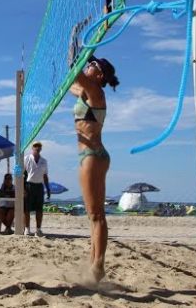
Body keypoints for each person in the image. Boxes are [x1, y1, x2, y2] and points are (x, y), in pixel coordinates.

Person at [69, 53, 119, 283]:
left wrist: (79, 56)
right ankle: (94, 265)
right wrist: (74, 57)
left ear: (99, 75)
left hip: (93, 155)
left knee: (97, 215)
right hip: (88, 155)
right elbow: (72, 82)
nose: (88, 66)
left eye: (92, 65)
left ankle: (98, 268)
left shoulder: (96, 92)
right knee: (93, 215)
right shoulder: (86, 93)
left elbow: (78, 74)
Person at [24, 141, 50, 237]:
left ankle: (38, 230)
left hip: (39, 186)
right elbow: (22, 174)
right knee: (27, 209)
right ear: (32, 148)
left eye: (39, 146)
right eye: (35, 146)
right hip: (29, 185)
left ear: (41, 148)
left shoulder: (44, 161)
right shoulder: (26, 158)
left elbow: (45, 176)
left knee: (39, 209)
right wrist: (23, 188)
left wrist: (48, 188)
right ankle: (27, 229)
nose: (37, 147)